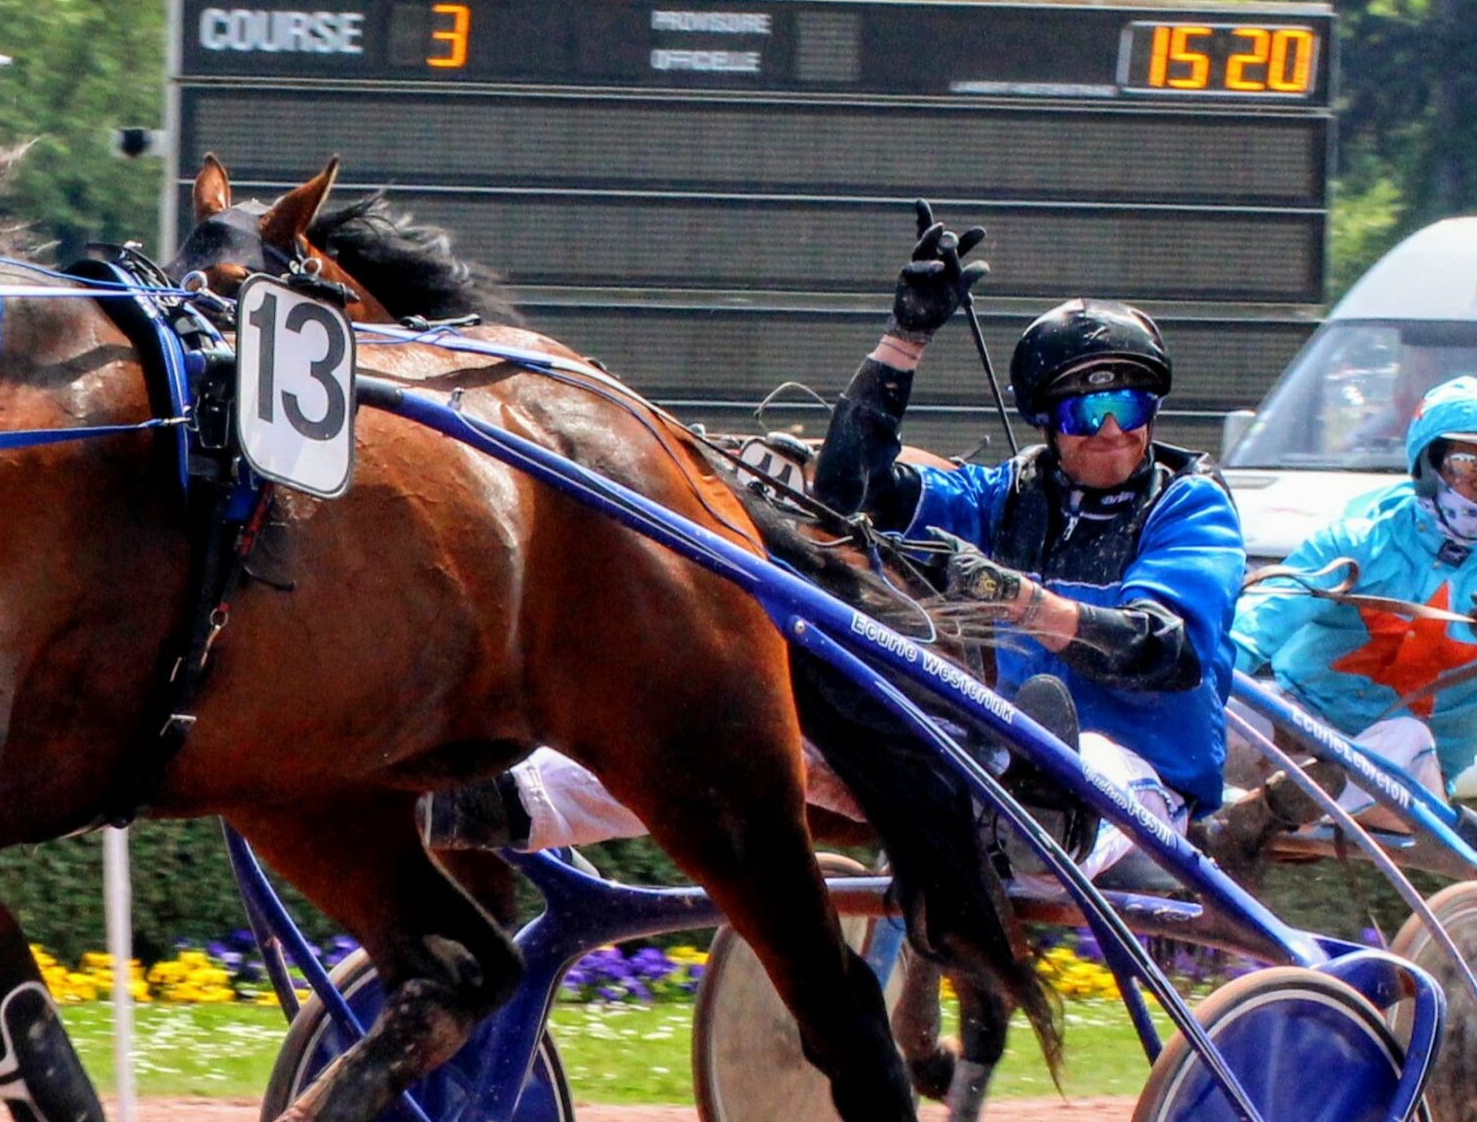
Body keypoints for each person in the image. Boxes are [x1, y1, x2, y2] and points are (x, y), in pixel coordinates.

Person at [422, 210, 1243, 874]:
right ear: (1045, 425)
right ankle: (495, 799)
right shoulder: (1005, 496)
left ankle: (1037, 826)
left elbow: (1161, 652)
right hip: (993, 763)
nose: (1107, 434)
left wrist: (1020, 601)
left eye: (1128, 410)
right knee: (737, 736)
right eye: (1081, 413)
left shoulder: (1191, 506)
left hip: (1136, 782)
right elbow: (853, 496)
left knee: (1073, 756)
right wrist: (904, 341)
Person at [1216, 375, 1477, 857]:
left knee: (1405, 735)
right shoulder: (1362, 535)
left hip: (1407, 767)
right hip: (1296, 725)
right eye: (1466, 464)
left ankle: (1261, 816)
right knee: (1203, 701)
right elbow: (1259, 622)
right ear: (1427, 464)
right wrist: (1198, 674)